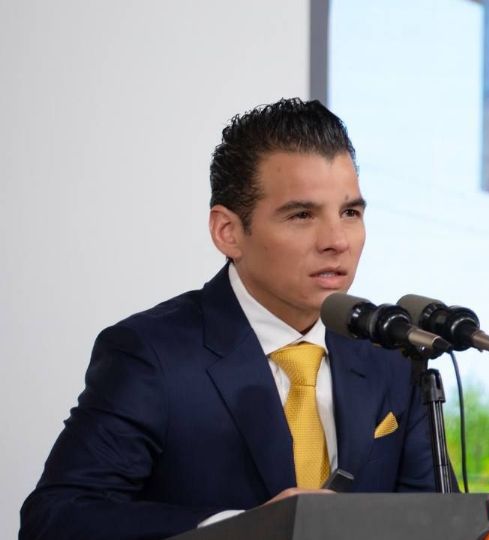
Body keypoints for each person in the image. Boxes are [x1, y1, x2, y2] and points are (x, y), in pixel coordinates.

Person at [20, 98, 437, 540]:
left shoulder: (389, 354)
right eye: (302, 215)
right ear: (228, 232)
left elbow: (434, 521)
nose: (337, 240)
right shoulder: (151, 355)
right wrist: (241, 529)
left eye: (350, 212)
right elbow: (56, 520)